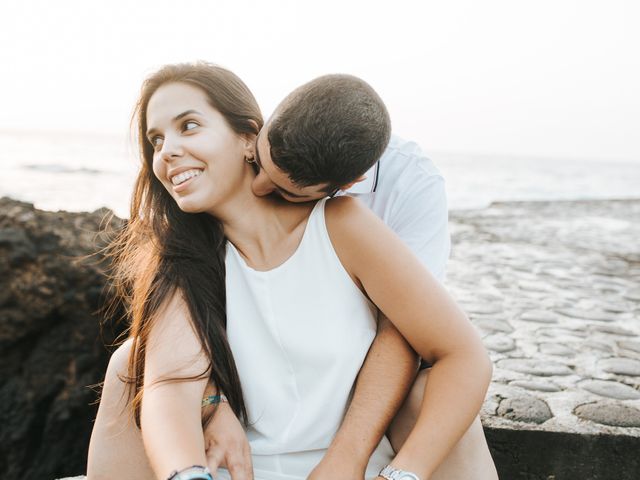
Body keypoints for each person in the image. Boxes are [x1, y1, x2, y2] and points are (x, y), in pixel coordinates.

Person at [87, 62, 493, 480]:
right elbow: (171, 384)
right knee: (129, 362)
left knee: (432, 397)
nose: (167, 150)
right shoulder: (182, 260)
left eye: (188, 126)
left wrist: (397, 475)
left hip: (352, 467)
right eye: (156, 140)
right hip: (239, 470)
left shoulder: (341, 223)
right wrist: (188, 470)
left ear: (249, 137)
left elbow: (451, 350)